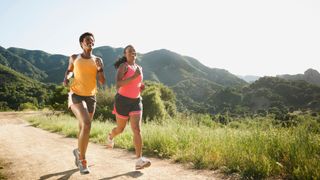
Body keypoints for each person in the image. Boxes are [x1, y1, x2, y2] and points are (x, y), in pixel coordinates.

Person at [63, 32, 105, 174]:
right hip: (76, 94)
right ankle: (82, 160)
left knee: (83, 128)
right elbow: (69, 71)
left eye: (92, 41)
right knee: (87, 124)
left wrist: (100, 68)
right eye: (87, 40)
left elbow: (102, 81)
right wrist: (66, 78)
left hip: (91, 96)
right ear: (81, 43)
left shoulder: (98, 59)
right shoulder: (75, 57)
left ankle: (77, 151)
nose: (90, 42)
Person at [106, 45, 151, 170]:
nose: (132, 52)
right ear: (125, 54)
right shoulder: (123, 66)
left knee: (136, 129)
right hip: (122, 101)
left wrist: (141, 86)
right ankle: (110, 136)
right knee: (120, 129)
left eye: (134, 51)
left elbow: (137, 82)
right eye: (129, 51)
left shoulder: (139, 68)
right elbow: (118, 84)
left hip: (136, 101)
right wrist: (134, 77)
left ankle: (139, 160)